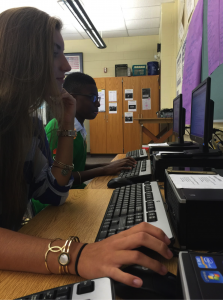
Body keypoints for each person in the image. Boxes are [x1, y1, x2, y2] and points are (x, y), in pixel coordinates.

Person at [0, 6, 173, 288]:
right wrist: (77, 255)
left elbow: (55, 193)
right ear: (23, 55)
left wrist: (67, 123)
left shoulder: (28, 128)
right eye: (55, 52)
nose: (66, 66)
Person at [45, 72, 137, 190]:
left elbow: (76, 167)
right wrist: (104, 170)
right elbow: (57, 179)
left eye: (97, 98)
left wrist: (110, 165)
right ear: (72, 98)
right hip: (52, 203)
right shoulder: (58, 129)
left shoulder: (78, 127)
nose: (98, 103)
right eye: (92, 97)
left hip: (74, 191)